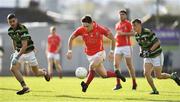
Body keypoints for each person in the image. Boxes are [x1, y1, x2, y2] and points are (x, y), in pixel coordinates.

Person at [66, 15, 126, 92]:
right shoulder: (81, 29)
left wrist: (111, 52)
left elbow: (113, 39)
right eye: (84, 26)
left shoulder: (100, 29)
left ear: (91, 23)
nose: (85, 28)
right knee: (104, 75)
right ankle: (117, 74)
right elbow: (71, 38)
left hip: (100, 53)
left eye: (87, 26)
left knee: (91, 66)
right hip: (89, 56)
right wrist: (70, 51)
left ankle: (86, 85)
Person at [132, 19, 180, 94]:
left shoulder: (147, 32)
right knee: (146, 73)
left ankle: (173, 76)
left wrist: (150, 51)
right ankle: (155, 90)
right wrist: (141, 51)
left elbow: (158, 42)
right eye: (132, 26)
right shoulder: (136, 35)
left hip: (156, 55)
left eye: (135, 25)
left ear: (140, 25)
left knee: (158, 76)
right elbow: (141, 45)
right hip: (148, 56)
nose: (133, 27)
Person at [7, 13, 50, 95]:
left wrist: (17, 57)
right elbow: (14, 40)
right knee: (13, 69)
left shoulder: (22, 29)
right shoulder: (10, 30)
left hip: (29, 52)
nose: (12, 23)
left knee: (36, 73)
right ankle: (25, 87)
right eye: (10, 22)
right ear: (8, 22)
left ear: (16, 20)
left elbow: (24, 46)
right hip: (19, 52)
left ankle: (44, 72)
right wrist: (15, 52)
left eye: (13, 21)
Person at [113, 9, 137, 90]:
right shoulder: (117, 24)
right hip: (118, 46)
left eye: (123, 14)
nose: (121, 15)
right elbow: (118, 34)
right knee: (116, 65)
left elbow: (133, 33)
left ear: (126, 15)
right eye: (120, 14)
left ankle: (134, 82)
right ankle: (118, 84)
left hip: (127, 46)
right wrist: (116, 37)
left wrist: (124, 34)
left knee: (129, 65)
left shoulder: (128, 23)